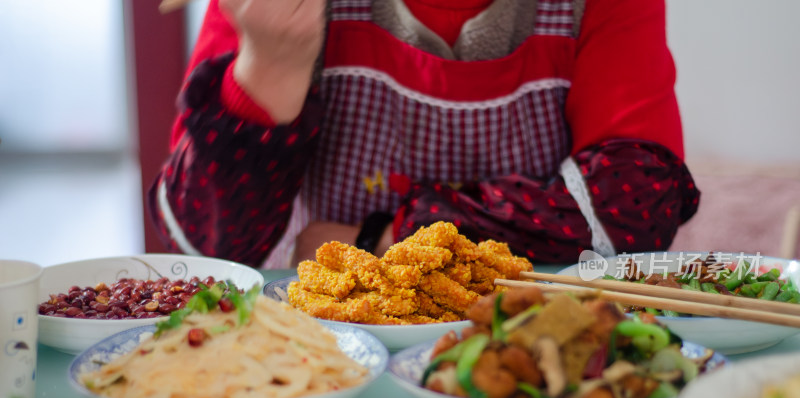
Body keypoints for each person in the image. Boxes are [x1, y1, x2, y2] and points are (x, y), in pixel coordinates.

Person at [147, 0, 700, 268]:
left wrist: (381, 237)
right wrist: (270, 64)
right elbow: (204, 247)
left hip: (538, 343)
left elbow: (630, 212)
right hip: (322, 352)